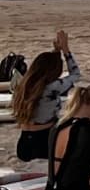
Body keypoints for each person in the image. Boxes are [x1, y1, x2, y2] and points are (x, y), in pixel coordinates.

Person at [12, 32, 82, 162]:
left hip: (24, 142)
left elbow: (45, 65)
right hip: (44, 140)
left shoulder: (24, 85)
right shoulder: (52, 87)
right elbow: (76, 74)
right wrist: (66, 50)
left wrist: (56, 51)